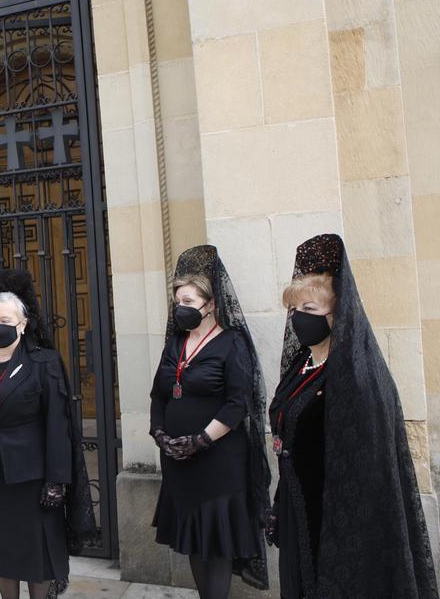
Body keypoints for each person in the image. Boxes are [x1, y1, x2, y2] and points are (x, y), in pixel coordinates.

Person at [267, 234, 438, 598]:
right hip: (299, 510)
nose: (299, 318)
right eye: (295, 310)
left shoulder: (358, 377)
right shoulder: (302, 363)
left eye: (310, 310)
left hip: (338, 524)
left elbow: (370, 465)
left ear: (337, 313)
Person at [0, 269, 94, 599]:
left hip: (33, 479)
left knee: (38, 556)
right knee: (1, 554)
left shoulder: (43, 363)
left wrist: (56, 480)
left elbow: (58, 425)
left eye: (5, 319)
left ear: (22, 324)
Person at [148, 246, 270, 598]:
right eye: (177, 301)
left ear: (210, 304)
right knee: (195, 542)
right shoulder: (175, 343)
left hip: (218, 461)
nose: (180, 308)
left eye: (188, 300)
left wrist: (200, 440)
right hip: (178, 463)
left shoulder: (233, 344)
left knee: (215, 542)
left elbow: (237, 405)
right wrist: (160, 433)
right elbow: (159, 393)